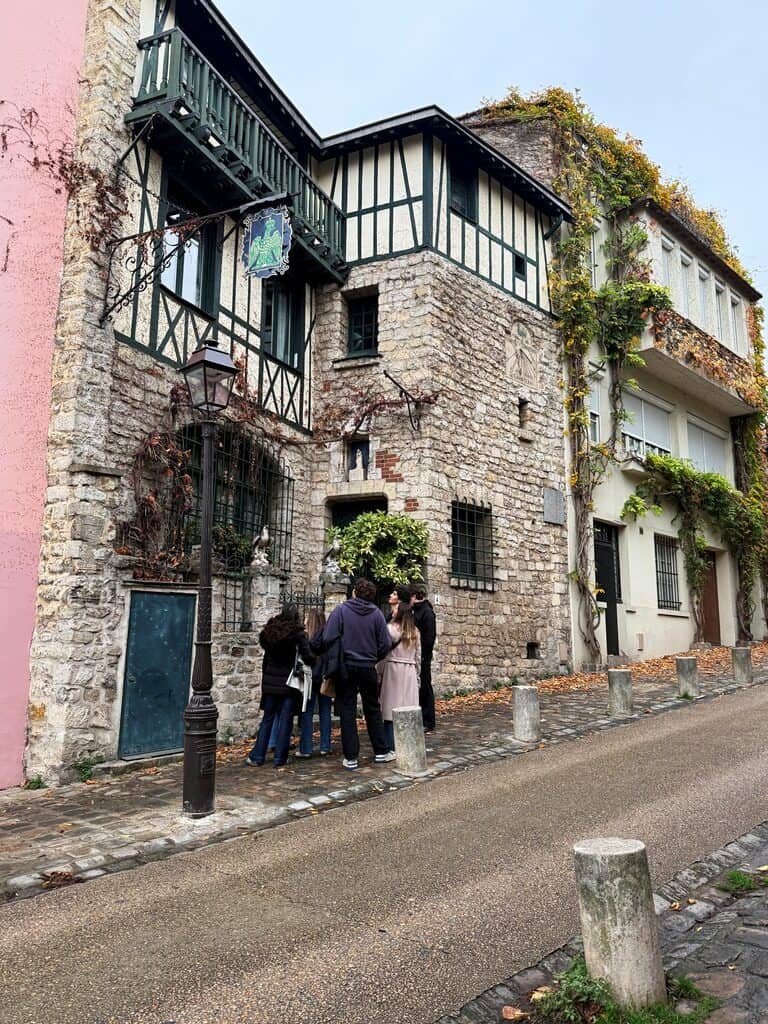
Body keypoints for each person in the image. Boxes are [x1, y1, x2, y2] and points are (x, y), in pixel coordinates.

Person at [322, 578, 396, 770]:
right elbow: (385, 643)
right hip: (368, 666)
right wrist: (373, 657)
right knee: (372, 708)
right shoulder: (377, 614)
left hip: (346, 666)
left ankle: (351, 756)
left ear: (354, 592)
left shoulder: (341, 611)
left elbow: (328, 636)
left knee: (347, 709)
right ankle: (381, 751)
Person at [246, 604, 314, 767]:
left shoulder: (270, 632)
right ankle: (280, 757)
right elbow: (308, 656)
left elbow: (266, 658)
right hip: (289, 683)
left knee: (267, 719)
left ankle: (257, 756)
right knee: (286, 720)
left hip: (270, 682)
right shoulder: (297, 635)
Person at [378, 601, 421, 751]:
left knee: (390, 711)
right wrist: (417, 675)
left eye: (396, 608)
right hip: (409, 671)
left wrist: (380, 671)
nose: (393, 610)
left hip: (392, 670)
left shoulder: (390, 629)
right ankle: (407, 745)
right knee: (407, 709)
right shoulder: (415, 632)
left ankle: (390, 746)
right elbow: (418, 657)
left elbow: (383, 652)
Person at [296, 608, 332, 758]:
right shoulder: (328, 637)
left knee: (307, 712)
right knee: (325, 712)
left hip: (310, 678)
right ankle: (325, 746)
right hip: (324, 677)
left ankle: (306, 748)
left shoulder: (306, 639)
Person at [411, 583, 437, 732]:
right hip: (418, 656)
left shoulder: (426, 612)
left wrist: (424, 657)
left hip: (423, 657)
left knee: (425, 687)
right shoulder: (416, 610)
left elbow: (429, 637)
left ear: (416, 596)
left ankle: (428, 720)